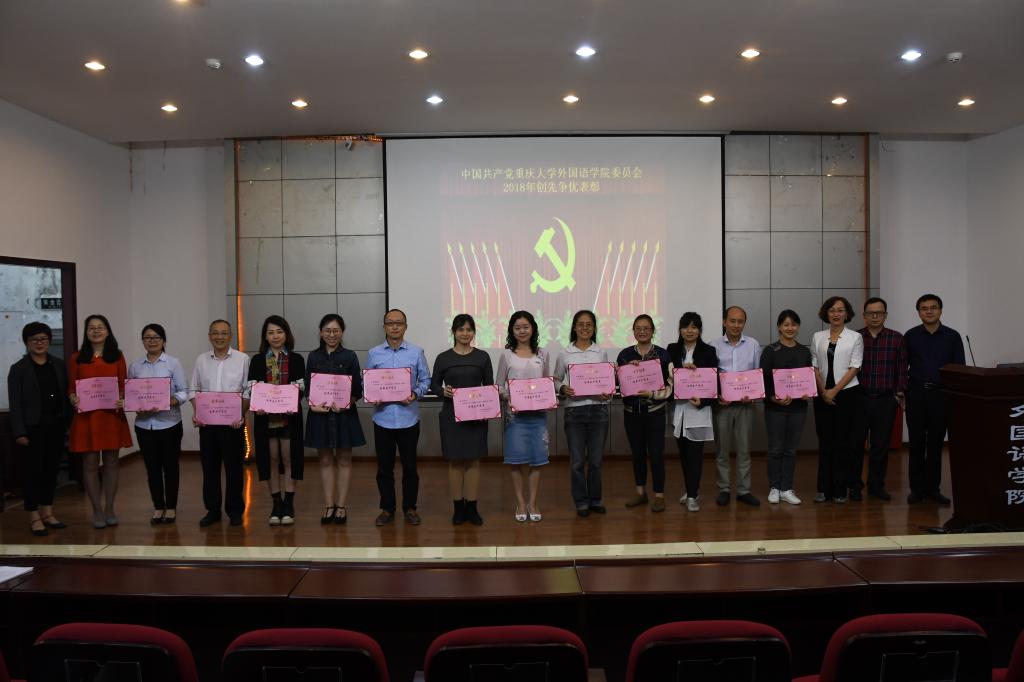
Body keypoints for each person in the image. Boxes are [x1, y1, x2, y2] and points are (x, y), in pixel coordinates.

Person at [365, 309, 431, 526]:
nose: (394, 327)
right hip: (382, 419)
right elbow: (367, 382)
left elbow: (426, 380)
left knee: (410, 467)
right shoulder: (374, 353)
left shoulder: (416, 352)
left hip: (408, 418)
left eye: (399, 323)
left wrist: (415, 394)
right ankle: (387, 509)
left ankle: (410, 508)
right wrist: (372, 396)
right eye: (390, 323)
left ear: (405, 326)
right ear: (384, 326)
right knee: (384, 469)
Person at [67, 314, 132, 529]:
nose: (96, 331)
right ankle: (96, 509)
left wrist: (122, 397)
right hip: (87, 417)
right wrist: (73, 398)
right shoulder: (77, 357)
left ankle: (110, 507)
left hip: (111, 416)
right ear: (86, 332)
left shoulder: (117, 356)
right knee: (90, 463)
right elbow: (71, 388)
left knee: (112, 462)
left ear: (107, 331)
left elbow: (123, 385)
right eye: (91, 327)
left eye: (100, 327)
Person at [431, 314, 494, 525]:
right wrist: (443, 391)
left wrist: (487, 407)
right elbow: (434, 384)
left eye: (468, 330)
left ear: (474, 332)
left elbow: (489, 386)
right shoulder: (443, 358)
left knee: (474, 461)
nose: (465, 333)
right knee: (455, 461)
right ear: (454, 332)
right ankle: (458, 508)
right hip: (451, 415)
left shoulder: (483, 357)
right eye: (460, 329)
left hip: (476, 415)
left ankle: (472, 507)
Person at [7, 322, 69, 536]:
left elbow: (65, 396)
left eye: (43, 339)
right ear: (27, 343)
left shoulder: (59, 365)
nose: (39, 343)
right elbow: (15, 404)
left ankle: (48, 512)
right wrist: (19, 432)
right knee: (33, 473)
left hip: (56, 426)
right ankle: (34, 516)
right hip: (32, 429)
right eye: (34, 340)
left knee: (51, 471)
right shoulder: (18, 369)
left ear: (49, 341)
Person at [904, 293, 965, 505]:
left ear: (940, 310)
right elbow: (902, 367)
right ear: (919, 312)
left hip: (941, 395)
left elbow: (959, 368)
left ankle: (933, 489)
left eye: (933, 307)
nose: (929, 311)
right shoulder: (910, 336)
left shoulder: (953, 336)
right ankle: (916, 489)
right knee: (916, 443)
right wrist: (902, 392)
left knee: (936, 444)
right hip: (916, 394)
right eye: (924, 308)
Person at [305, 313, 365, 525]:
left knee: (344, 459)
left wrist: (347, 402)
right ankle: (329, 505)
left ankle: (341, 506)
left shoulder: (350, 356)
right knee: (324, 460)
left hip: (344, 416)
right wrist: (313, 404)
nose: (332, 335)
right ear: (321, 333)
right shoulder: (313, 357)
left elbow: (357, 389)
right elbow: (309, 388)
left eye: (336, 330)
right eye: (328, 331)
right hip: (320, 417)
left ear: (342, 332)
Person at [127, 324, 189, 525]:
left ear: (163, 340)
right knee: (151, 468)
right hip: (145, 426)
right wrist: (136, 406)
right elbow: (132, 394)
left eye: (156, 337)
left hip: (169, 424)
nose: (152, 341)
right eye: (147, 337)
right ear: (143, 341)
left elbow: (184, 391)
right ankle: (158, 506)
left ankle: (170, 507)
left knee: (170, 467)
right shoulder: (135, 366)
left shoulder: (173, 363)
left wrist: (170, 401)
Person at [191, 319, 250, 528]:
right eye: (215, 333)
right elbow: (193, 390)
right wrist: (197, 412)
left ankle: (235, 511)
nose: (219, 337)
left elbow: (248, 391)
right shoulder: (201, 360)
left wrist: (240, 414)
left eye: (224, 333)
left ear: (230, 336)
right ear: (209, 336)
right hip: (208, 426)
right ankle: (213, 510)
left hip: (233, 425)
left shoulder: (243, 359)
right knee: (210, 469)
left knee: (234, 470)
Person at [247, 315, 305, 526]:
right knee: (270, 459)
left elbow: (301, 388)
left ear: (286, 334)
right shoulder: (257, 360)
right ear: (265, 336)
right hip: (266, 419)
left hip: (290, 418)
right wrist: (258, 403)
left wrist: (291, 401)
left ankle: (288, 502)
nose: (275, 336)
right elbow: (252, 387)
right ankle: (276, 503)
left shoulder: (297, 359)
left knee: (289, 459)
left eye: (279, 332)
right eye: (270, 332)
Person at [553, 310, 612, 517]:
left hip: (598, 410)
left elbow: (607, 381)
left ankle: (595, 500)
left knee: (595, 461)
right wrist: (562, 388)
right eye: (581, 324)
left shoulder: (601, 352)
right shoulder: (565, 353)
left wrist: (607, 393)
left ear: (594, 328)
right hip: (574, 411)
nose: (585, 328)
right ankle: (581, 502)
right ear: (574, 327)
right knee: (577, 462)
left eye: (589, 324)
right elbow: (556, 379)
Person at [496, 310, 550, 521]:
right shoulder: (506, 355)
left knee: (538, 461)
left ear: (533, 328)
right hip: (515, 417)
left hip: (538, 416)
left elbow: (547, 383)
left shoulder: (543, 354)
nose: (522, 331)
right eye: (517, 327)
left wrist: (549, 397)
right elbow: (499, 385)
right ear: (512, 330)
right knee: (516, 461)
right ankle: (520, 502)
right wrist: (509, 396)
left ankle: (533, 502)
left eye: (526, 327)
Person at [616, 314, 672, 512]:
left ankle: (659, 495)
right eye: (638, 328)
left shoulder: (663, 355)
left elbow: (671, 385)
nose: (642, 331)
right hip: (631, 413)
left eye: (646, 328)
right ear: (633, 331)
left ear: (652, 331)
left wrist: (653, 394)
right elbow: (617, 384)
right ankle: (640, 492)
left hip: (655, 412)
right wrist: (625, 371)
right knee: (637, 453)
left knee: (656, 454)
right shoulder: (624, 355)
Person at [811, 296, 864, 503]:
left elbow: (855, 367)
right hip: (822, 394)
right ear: (826, 313)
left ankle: (840, 489)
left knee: (843, 441)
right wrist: (824, 391)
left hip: (847, 394)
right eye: (832, 310)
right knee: (825, 441)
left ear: (847, 313)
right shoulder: (818, 336)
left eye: (840, 310)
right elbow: (814, 365)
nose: (836, 314)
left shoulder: (855, 337)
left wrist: (834, 391)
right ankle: (823, 489)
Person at [854, 297, 908, 501]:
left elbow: (902, 368)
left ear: (886, 315)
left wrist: (898, 394)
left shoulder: (897, 338)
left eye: (879, 313)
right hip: (859, 399)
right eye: (871, 313)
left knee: (880, 446)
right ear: (864, 315)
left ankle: (876, 486)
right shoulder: (855, 337)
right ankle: (855, 486)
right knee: (855, 445)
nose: (875, 316)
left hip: (886, 400)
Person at [708, 306, 761, 507]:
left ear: (744, 323)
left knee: (744, 450)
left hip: (745, 406)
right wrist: (717, 395)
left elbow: (757, 373)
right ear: (724, 322)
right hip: (722, 405)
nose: (736, 325)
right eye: (732, 321)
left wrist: (753, 394)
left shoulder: (753, 344)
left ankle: (743, 490)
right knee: (722, 450)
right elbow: (711, 376)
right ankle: (724, 489)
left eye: (740, 321)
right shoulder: (713, 345)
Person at [760, 309, 813, 505]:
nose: (790, 328)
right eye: (786, 325)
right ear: (779, 327)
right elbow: (763, 380)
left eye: (794, 324)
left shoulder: (804, 351)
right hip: (775, 409)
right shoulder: (770, 350)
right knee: (775, 449)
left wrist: (808, 391)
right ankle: (774, 487)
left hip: (798, 409)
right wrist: (774, 398)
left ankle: (787, 488)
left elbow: (808, 378)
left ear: (798, 327)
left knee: (791, 450)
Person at [667, 313, 719, 512]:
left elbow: (713, 382)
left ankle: (692, 496)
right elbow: (665, 377)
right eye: (686, 327)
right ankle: (691, 490)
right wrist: (681, 370)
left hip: (698, 410)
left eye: (694, 327)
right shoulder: (672, 350)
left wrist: (703, 400)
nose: (690, 331)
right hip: (678, 410)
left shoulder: (708, 351)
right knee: (683, 455)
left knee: (695, 454)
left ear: (699, 330)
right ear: (680, 329)